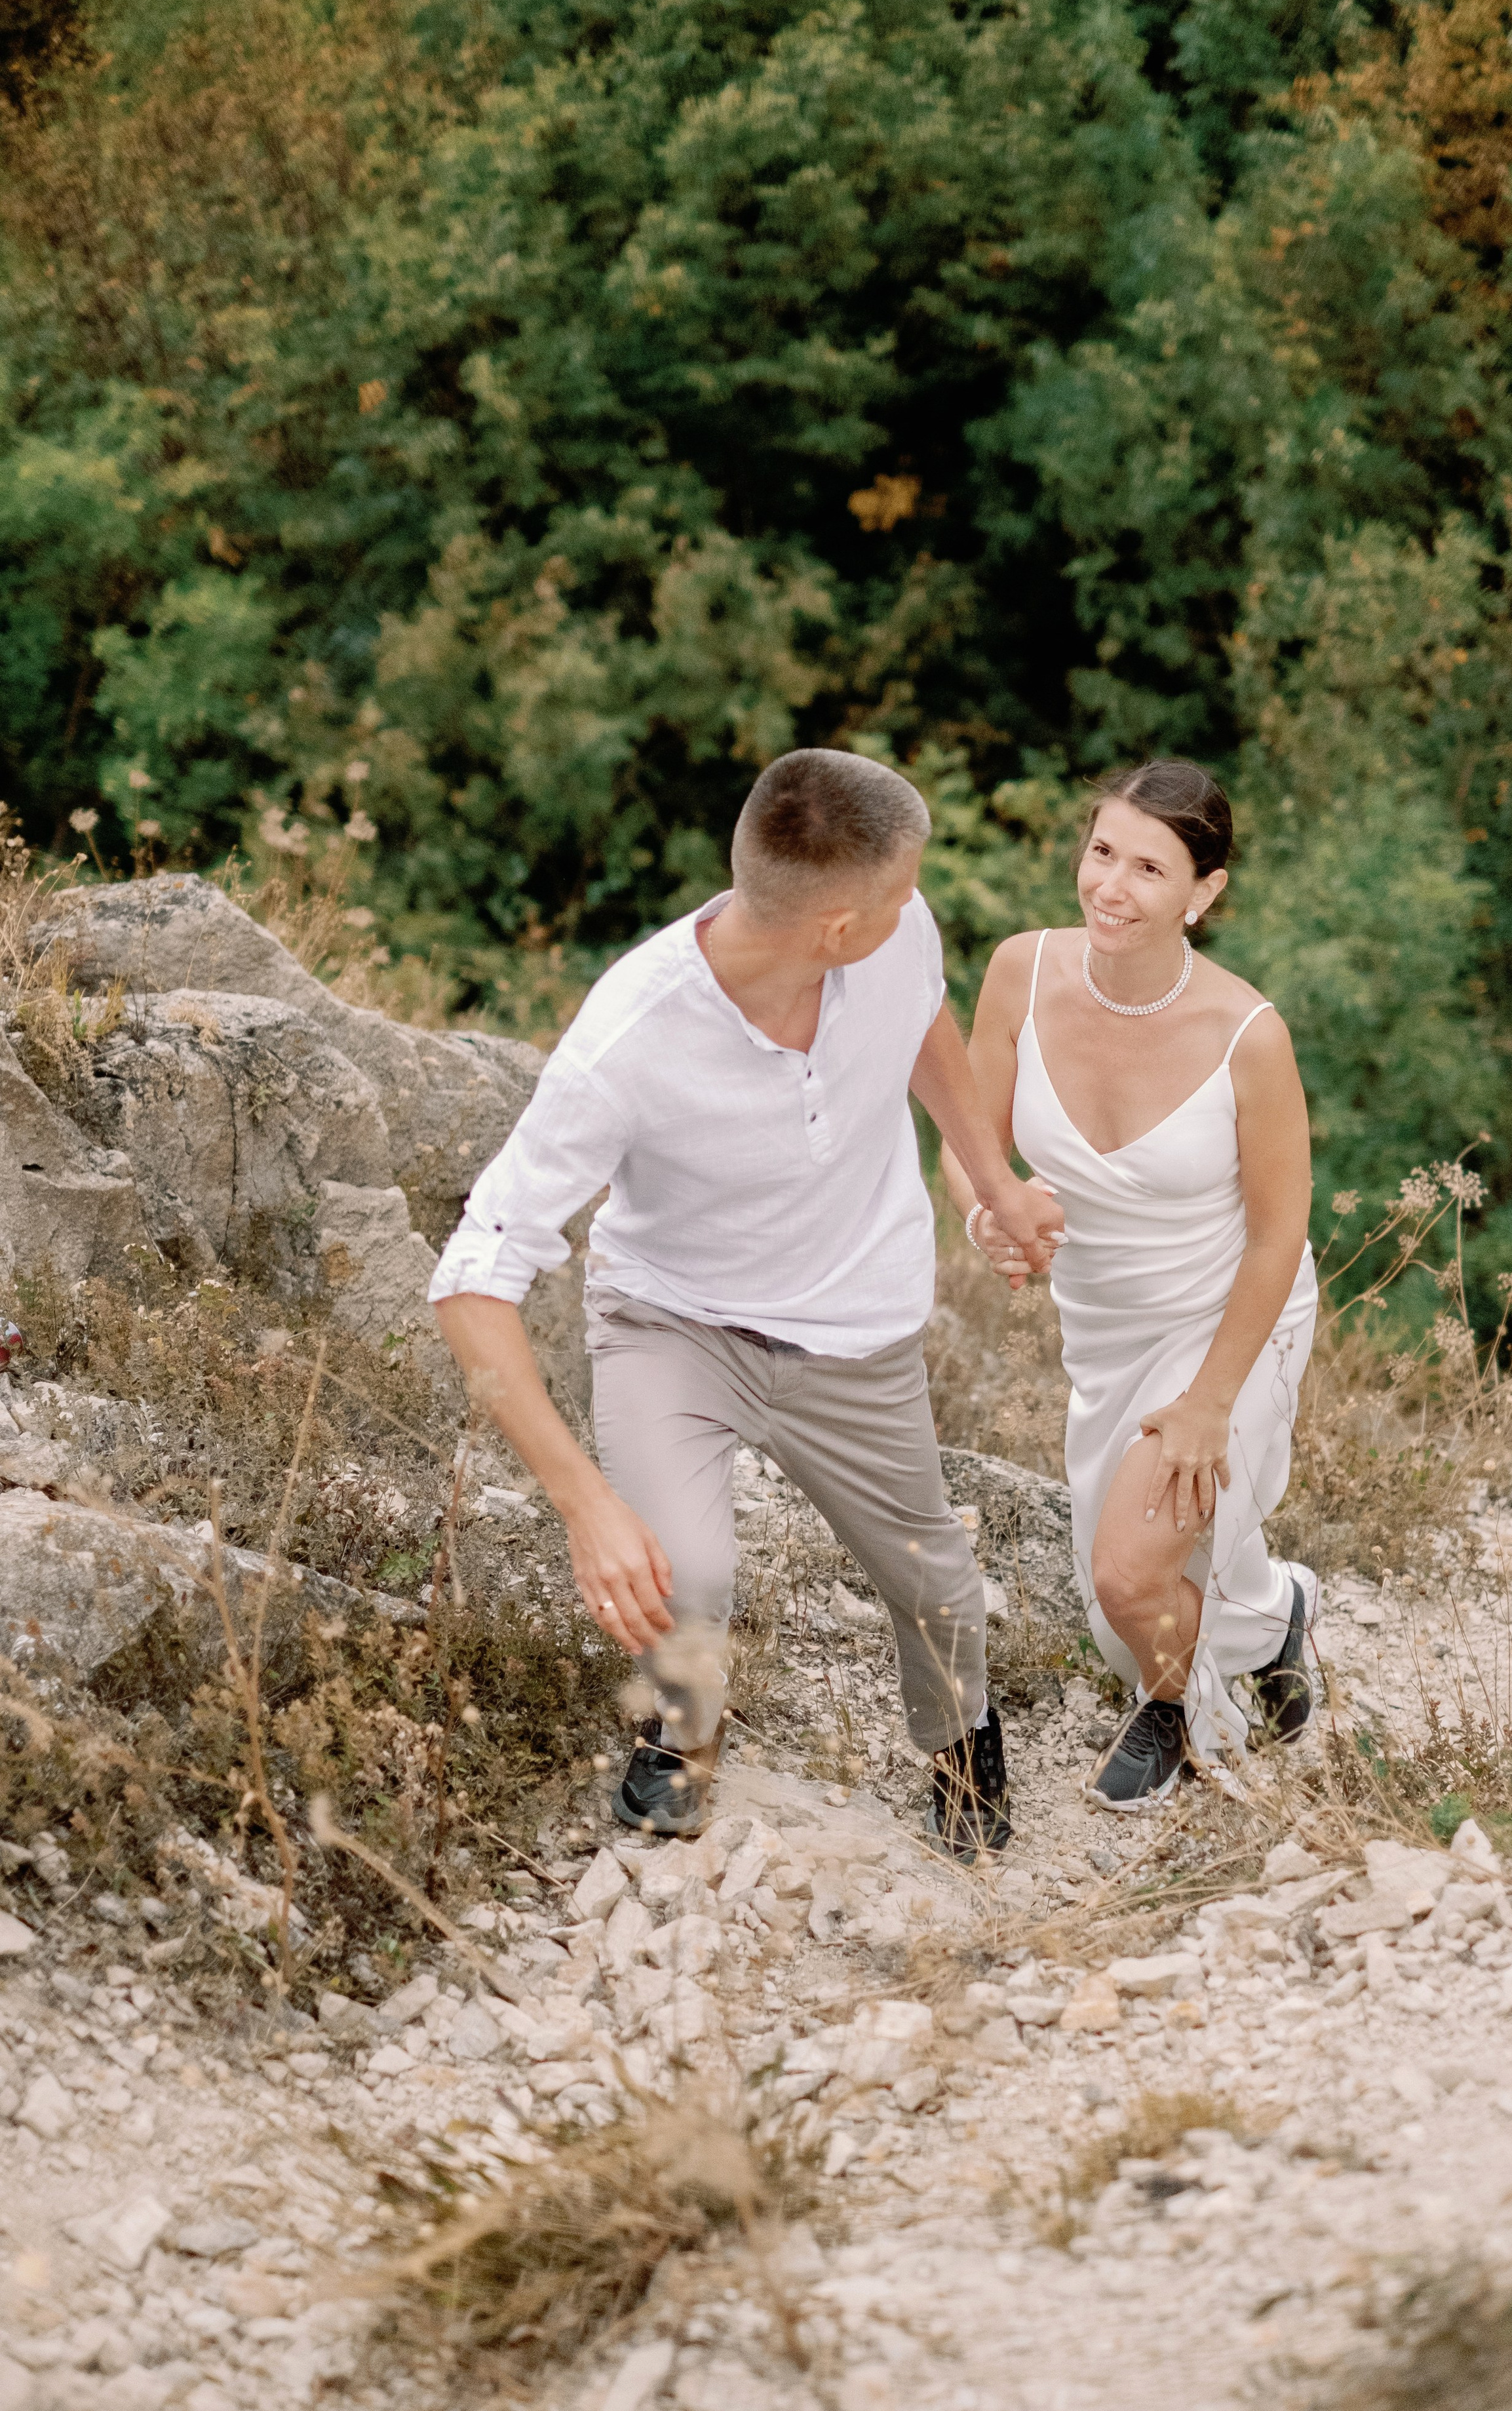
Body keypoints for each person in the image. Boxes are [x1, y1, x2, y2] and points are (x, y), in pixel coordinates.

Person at [429, 747, 1062, 1860]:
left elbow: (924, 1026)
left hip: (857, 1328)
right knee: (688, 1578)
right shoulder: (628, 1038)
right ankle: (681, 1738)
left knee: (938, 1587)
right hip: (675, 1326)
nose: (919, 910)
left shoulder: (893, 937)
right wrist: (585, 1508)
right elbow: (472, 1278)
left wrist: (996, 1182)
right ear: (835, 925)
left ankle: (962, 1750)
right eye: (902, 891)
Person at [941, 758, 1317, 1808]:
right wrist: (987, 1211)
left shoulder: (1250, 1036)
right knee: (1120, 1606)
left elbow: (1280, 1233)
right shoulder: (1021, 969)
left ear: (1204, 893)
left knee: (1130, 1576)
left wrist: (1210, 1401)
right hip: (1103, 1330)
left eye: (1150, 867)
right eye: (1102, 852)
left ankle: (1177, 1716)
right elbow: (970, 1143)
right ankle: (1279, 1614)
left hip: (1237, 1312)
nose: (1112, 886)